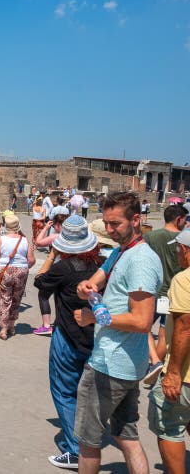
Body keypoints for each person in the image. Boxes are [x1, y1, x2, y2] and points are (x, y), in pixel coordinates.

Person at [73, 191, 163, 474]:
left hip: (110, 365)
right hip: (128, 363)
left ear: (135, 220)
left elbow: (141, 321)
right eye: (106, 224)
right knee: (126, 436)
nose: (110, 230)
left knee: (88, 441)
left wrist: (93, 317)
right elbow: (95, 281)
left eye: (115, 224)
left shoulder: (141, 260)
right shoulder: (121, 251)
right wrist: (85, 286)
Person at [34, 215, 103, 469]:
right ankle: (86, 438)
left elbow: (40, 282)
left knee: (64, 389)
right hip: (96, 336)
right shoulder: (102, 266)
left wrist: (52, 256)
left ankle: (75, 449)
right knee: (87, 391)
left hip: (67, 334)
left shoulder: (63, 268)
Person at [148, 230, 190, 474]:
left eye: (178, 249)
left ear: (185, 250)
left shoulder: (184, 279)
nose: (177, 254)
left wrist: (173, 372)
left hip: (184, 373)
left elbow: (185, 327)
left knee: (169, 427)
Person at [143, 204, 189, 384]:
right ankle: (155, 365)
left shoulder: (150, 237)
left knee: (144, 327)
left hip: (153, 291)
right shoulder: (182, 239)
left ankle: (153, 362)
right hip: (173, 294)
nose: (186, 223)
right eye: (185, 220)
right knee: (164, 333)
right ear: (178, 219)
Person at [0, 214, 35, 340]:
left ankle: (3, 329)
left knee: (4, 298)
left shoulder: (1, 239)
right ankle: (12, 326)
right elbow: (31, 260)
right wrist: (24, 268)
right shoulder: (24, 240)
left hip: (4, 270)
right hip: (21, 270)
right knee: (17, 298)